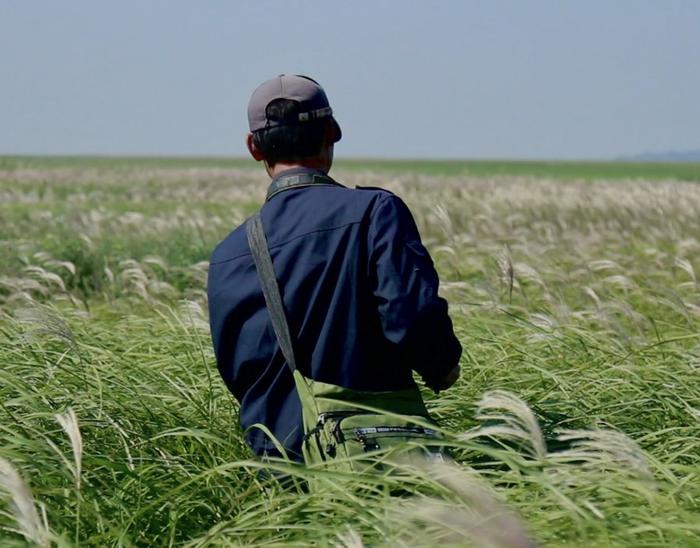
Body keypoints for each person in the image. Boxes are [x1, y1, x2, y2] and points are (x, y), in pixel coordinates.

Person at [207, 74, 462, 462]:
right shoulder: (376, 213)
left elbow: (237, 372)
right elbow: (411, 318)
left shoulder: (228, 253)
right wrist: (441, 368)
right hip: (380, 457)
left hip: (281, 469)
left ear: (253, 148)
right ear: (333, 131)